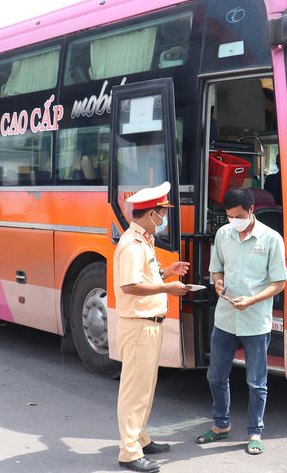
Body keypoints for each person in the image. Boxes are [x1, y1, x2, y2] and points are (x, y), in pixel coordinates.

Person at [196, 186, 287, 455]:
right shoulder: (224, 234)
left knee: (256, 382)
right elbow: (217, 270)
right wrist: (218, 282)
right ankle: (221, 425)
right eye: (229, 216)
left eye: (237, 215)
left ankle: (255, 432)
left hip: (255, 321)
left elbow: (279, 283)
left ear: (251, 211)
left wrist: (252, 300)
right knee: (215, 375)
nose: (233, 221)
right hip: (225, 318)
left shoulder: (271, 239)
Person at [114, 181, 190, 473]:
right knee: (135, 390)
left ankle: (140, 438)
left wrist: (167, 272)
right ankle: (129, 451)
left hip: (148, 325)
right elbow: (130, 285)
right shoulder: (132, 244)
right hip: (139, 327)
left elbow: (147, 275)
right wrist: (168, 288)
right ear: (150, 214)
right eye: (163, 212)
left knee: (146, 387)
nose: (164, 217)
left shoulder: (144, 240)